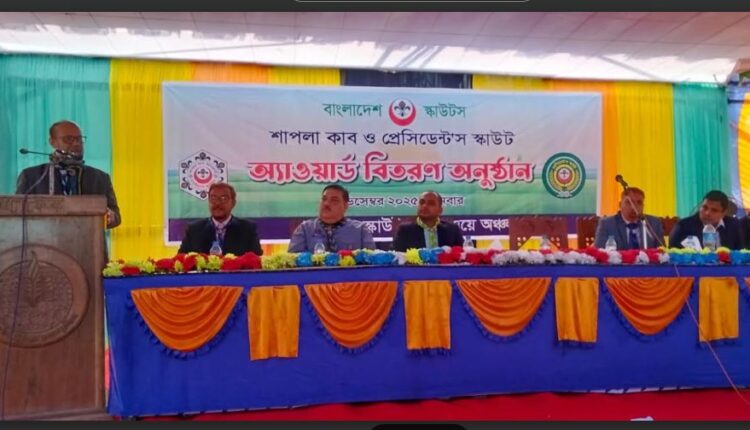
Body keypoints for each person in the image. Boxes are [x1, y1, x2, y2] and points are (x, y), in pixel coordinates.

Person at [16, 120, 121, 229]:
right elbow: (17, 213)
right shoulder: (31, 176)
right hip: (42, 237)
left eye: (79, 139)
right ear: (52, 142)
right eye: (68, 139)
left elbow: (116, 216)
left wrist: (110, 216)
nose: (76, 143)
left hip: (87, 238)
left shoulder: (100, 178)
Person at [178, 182, 263, 255]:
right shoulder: (194, 230)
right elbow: (181, 261)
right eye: (213, 198)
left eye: (223, 198)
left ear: (233, 203)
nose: (217, 203)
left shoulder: (247, 229)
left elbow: (256, 261)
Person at [288, 184, 375, 253]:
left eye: (334, 200)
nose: (326, 204)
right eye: (324, 199)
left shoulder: (360, 230)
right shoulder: (304, 229)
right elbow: (292, 262)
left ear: (345, 206)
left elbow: (372, 262)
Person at [593, 187, 664, 249]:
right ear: (620, 205)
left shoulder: (653, 223)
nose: (633, 207)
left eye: (639, 203)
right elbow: (599, 251)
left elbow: (662, 252)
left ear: (643, 206)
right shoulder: (607, 224)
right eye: (629, 202)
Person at [669, 190, 742, 249]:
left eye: (714, 210)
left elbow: (742, 252)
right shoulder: (683, 226)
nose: (707, 213)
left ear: (723, 213)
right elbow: (673, 254)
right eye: (705, 207)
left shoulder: (735, 226)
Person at [393, 190, 464, 251]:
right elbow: (398, 257)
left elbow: (461, 256)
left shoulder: (452, 230)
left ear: (440, 210)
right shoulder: (405, 231)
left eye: (431, 203)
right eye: (422, 202)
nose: (424, 206)